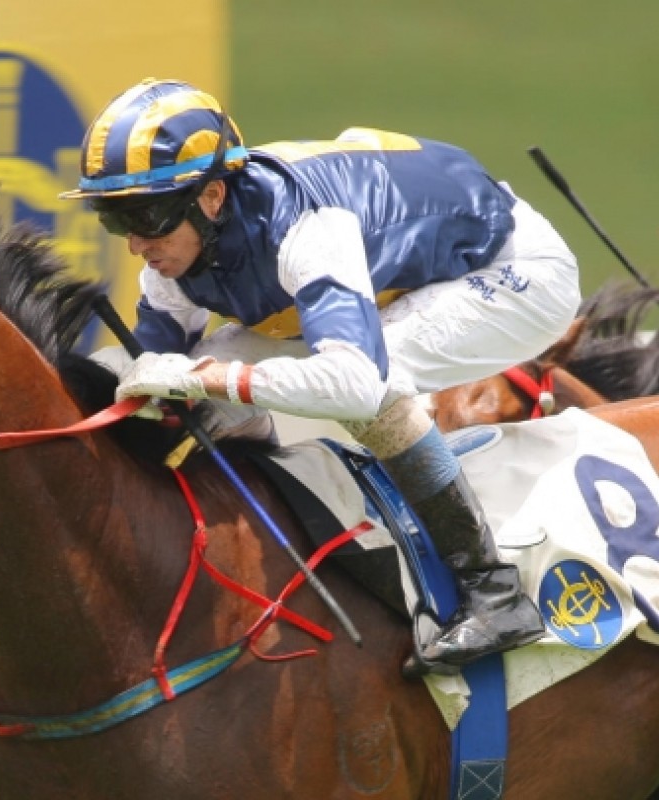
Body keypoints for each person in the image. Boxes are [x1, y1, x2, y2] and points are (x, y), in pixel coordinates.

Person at [60, 77, 581, 677]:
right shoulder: (172, 254)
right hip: (397, 267)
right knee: (180, 386)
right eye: (114, 219)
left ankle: (492, 591)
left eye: (147, 216)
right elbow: (151, 379)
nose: (136, 245)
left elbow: (355, 385)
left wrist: (212, 378)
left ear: (210, 199)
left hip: (513, 271)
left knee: (374, 384)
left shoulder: (307, 230)